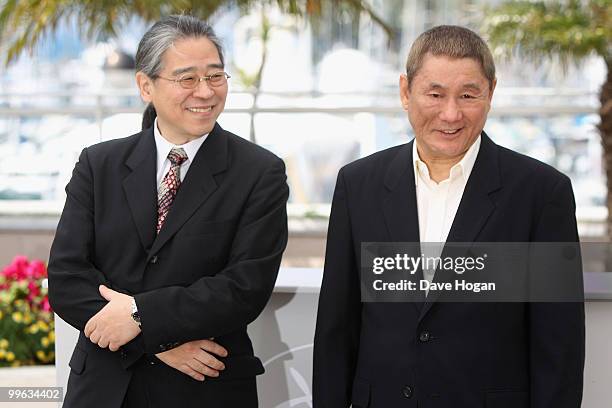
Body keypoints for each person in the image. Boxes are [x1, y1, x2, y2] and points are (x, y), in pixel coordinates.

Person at [313, 25, 584, 408]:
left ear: (491, 92)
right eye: (435, 94)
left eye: (468, 95)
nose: (451, 113)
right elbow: (336, 330)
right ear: (406, 92)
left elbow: (560, 346)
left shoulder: (541, 193)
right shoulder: (359, 185)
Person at [48, 15, 289, 408]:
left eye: (215, 76)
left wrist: (140, 316)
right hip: (105, 389)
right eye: (187, 79)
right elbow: (66, 277)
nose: (205, 92)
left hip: (206, 389)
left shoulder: (260, 173)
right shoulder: (99, 164)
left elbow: (244, 287)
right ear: (146, 85)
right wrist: (153, 341)